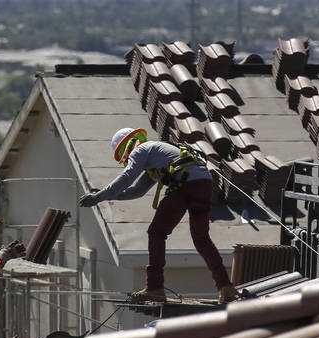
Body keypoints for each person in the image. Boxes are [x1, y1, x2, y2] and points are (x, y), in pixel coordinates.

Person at [79, 127, 237, 303]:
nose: (126, 159)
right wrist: (106, 196)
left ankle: (154, 287)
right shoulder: (156, 155)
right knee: (201, 238)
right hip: (203, 183)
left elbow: (127, 178)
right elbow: (137, 191)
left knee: (156, 233)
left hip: (184, 185)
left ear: (127, 147)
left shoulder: (140, 150)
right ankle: (225, 286)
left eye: (124, 155)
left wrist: (98, 196)